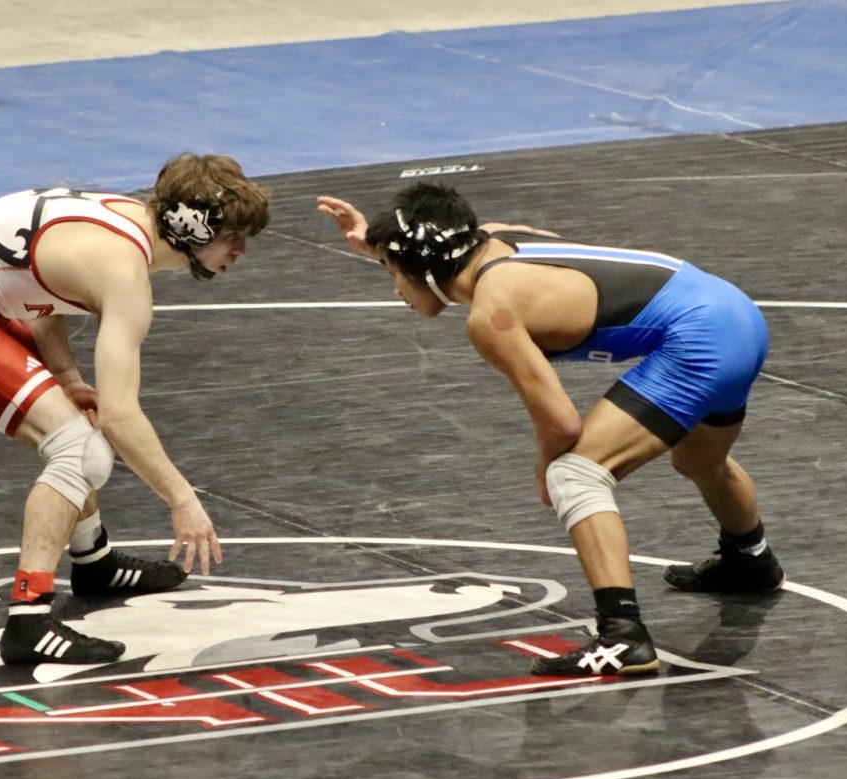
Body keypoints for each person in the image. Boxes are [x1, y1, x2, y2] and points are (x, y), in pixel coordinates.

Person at [317, 183, 784, 677]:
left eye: (392, 272)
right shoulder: (494, 238)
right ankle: (749, 558)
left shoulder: (492, 314)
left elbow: (560, 420)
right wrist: (379, 245)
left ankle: (622, 635)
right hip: (736, 315)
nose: (395, 290)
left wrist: (547, 470)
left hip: (701, 338)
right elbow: (440, 247)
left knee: (576, 475)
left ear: (423, 266)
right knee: (698, 460)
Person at [0, 152, 270, 665]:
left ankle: (93, 563)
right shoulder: (123, 270)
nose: (242, 251)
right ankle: (29, 620)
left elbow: (38, 289)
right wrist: (183, 500)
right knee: (80, 448)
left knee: (81, 430)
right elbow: (121, 415)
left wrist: (68, 377)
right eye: (233, 236)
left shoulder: (128, 221)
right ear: (194, 227)